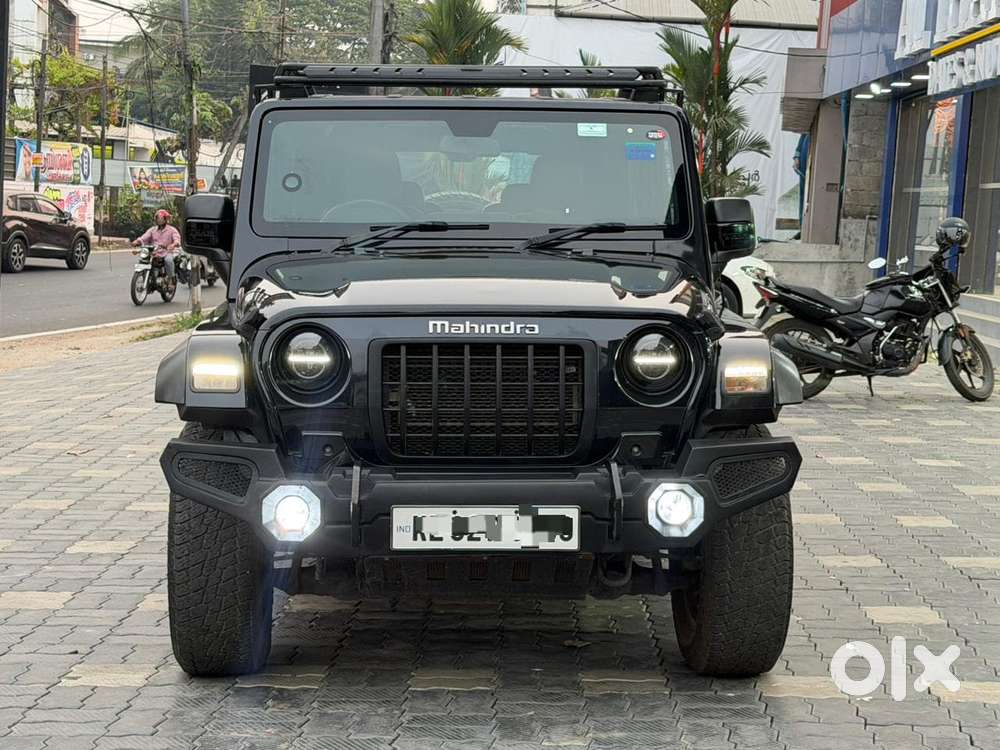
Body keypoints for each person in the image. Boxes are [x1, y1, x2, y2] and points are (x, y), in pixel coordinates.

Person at [132, 209, 182, 279]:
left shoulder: (172, 230)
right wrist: (137, 241)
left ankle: (171, 278)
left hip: (167, 252)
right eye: (158, 218)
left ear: (166, 219)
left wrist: (173, 245)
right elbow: (144, 237)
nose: (159, 220)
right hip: (154, 252)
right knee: (144, 259)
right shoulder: (152, 230)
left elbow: (177, 240)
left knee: (168, 260)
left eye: (161, 218)